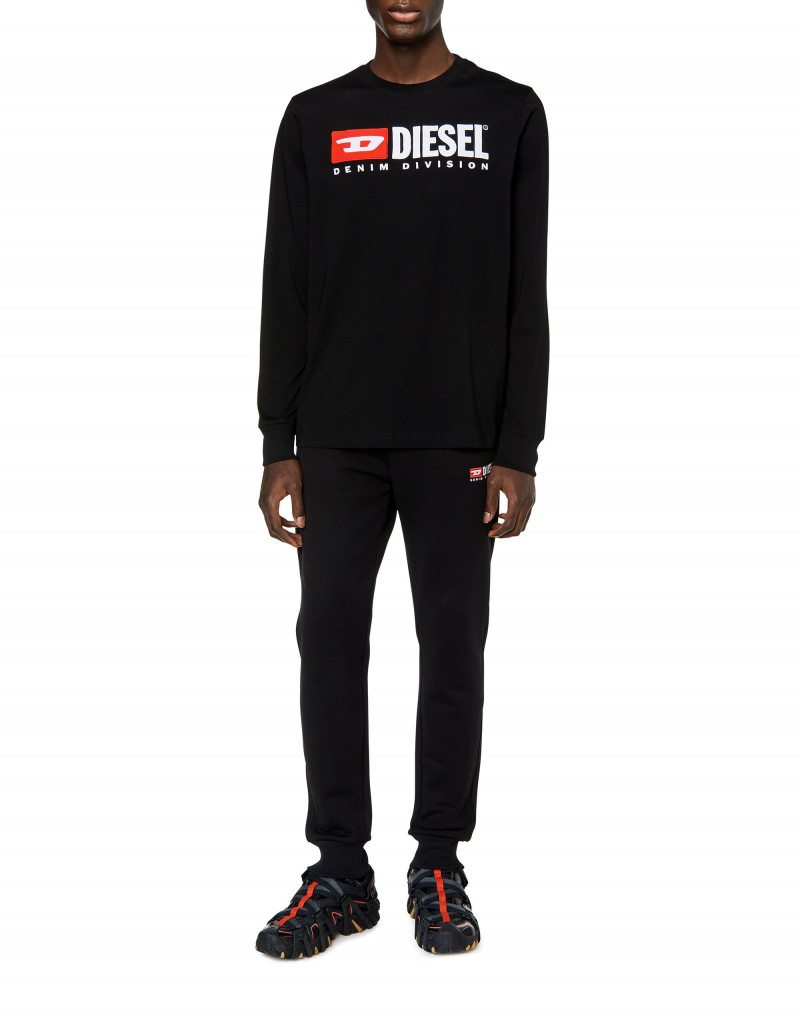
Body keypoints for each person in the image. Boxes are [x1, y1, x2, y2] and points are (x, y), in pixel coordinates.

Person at [255, 0, 549, 959]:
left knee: (451, 646)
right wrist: (278, 440)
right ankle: (341, 870)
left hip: (457, 435)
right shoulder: (314, 118)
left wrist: (519, 447)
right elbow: (285, 281)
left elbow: (527, 291)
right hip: (336, 436)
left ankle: (438, 861)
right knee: (329, 639)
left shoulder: (508, 113)